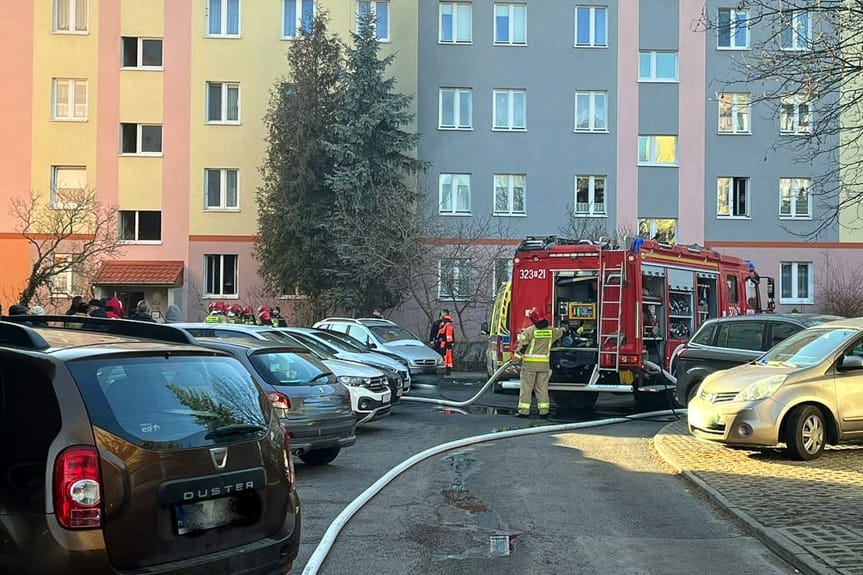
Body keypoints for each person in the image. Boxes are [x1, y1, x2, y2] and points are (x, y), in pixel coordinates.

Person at [512, 308, 566, 418]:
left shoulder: (529, 332)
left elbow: (521, 348)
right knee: (542, 388)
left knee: (526, 388)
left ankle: (524, 411)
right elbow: (561, 332)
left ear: (533, 319)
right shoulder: (552, 331)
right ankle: (544, 411)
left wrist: (516, 361)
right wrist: (565, 329)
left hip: (529, 366)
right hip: (544, 366)